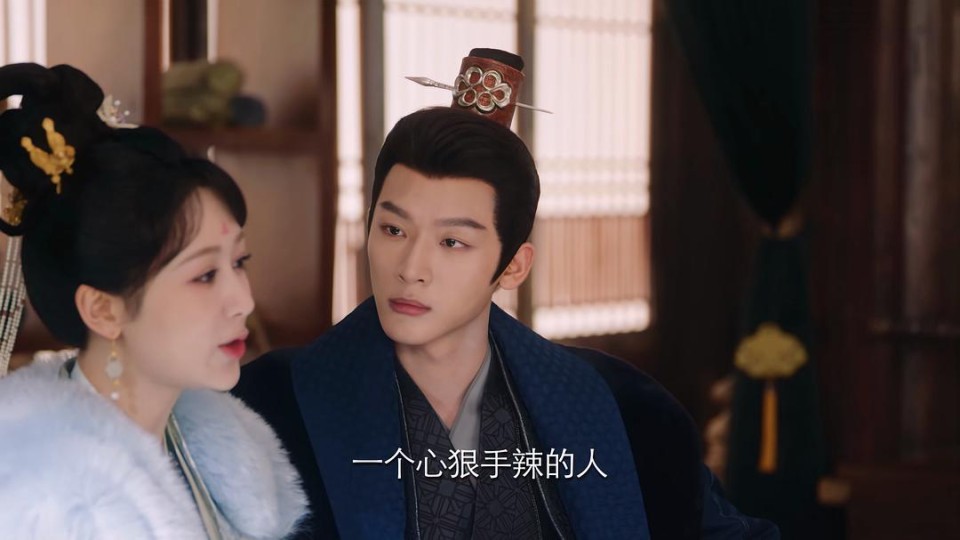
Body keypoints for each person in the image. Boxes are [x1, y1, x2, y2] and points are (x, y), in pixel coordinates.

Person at [234, 49, 778, 539]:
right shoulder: (271, 404)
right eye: (393, 229)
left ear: (513, 265)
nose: (411, 269)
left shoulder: (623, 407)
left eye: (452, 242)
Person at [0, 63, 308, 538]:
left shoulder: (218, 448)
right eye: (205, 275)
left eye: (239, 262)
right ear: (103, 309)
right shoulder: (50, 503)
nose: (242, 301)